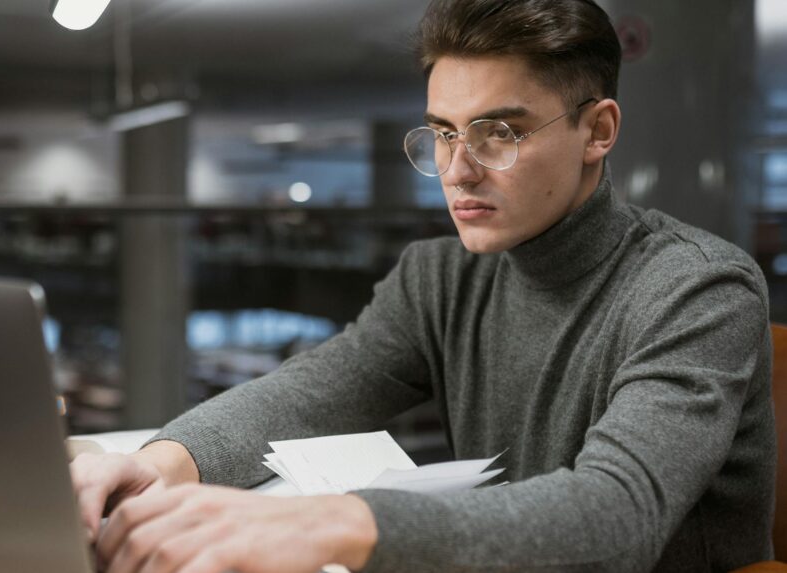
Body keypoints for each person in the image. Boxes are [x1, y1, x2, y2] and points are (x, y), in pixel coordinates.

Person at [71, 0, 777, 571]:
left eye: (498, 131)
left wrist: (331, 524)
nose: (458, 169)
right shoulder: (440, 275)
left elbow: (617, 517)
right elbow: (311, 393)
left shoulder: (700, 288)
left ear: (598, 130)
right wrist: (159, 464)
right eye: (442, 132)